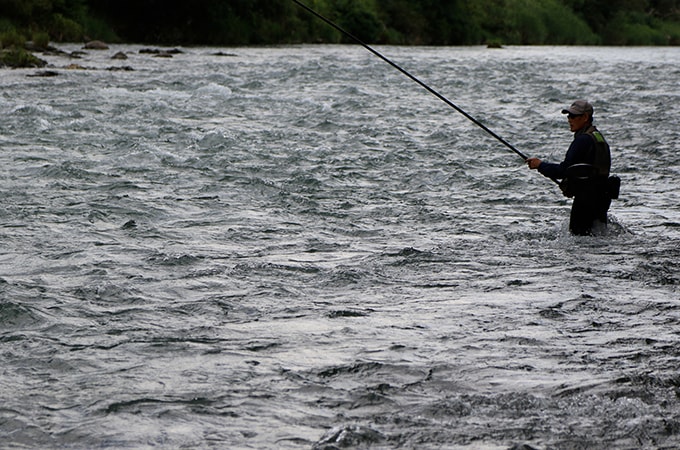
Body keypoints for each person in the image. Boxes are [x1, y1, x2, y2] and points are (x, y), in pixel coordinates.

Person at [526, 100, 612, 236]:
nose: (569, 120)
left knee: (579, 238)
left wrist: (540, 165)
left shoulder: (582, 140)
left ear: (585, 117)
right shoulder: (597, 136)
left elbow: (564, 170)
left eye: (573, 116)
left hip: (585, 200)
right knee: (598, 236)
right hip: (601, 198)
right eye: (568, 116)